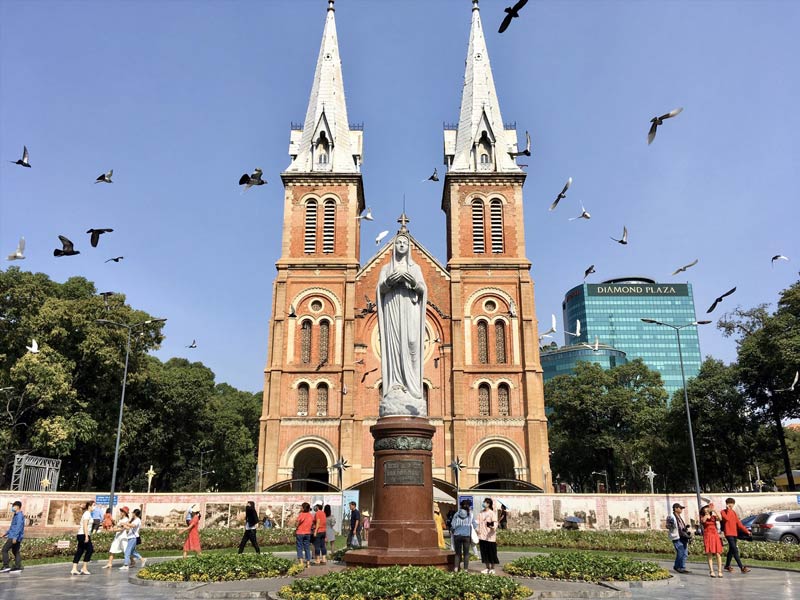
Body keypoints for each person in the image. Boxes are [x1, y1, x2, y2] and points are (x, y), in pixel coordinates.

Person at [376, 233, 428, 417]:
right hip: (392, 313)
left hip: (410, 312)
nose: (401, 245)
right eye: (398, 242)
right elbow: (380, 290)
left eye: (404, 243)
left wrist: (413, 282)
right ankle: (396, 384)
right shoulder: (385, 268)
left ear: (409, 247)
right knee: (395, 349)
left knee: (412, 343)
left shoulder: (416, 268)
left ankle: (412, 387)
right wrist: (388, 282)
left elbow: (423, 289)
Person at [720, 498, 751, 574]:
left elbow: (739, 524)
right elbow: (726, 519)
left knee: (731, 550)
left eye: (732, 503)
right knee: (735, 550)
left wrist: (747, 531)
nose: (731, 505)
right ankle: (742, 567)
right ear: (726, 504)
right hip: (728, 533)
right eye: (729, 503)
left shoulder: (733, 512)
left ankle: (727, 565)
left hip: (734, 533)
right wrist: (728, 510)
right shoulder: (723, 512)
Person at [450, 499, 478, 572]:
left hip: (457, 535)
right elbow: (474, 525)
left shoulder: (456, 514)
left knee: (457, 553)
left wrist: (454, 529)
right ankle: (465, 569)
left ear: (461, 506)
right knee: (466, 553)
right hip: (466, 536)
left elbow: (452, 525)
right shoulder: (470, 514)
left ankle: (456, 569)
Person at [665, 502, 692, 574]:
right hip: (676, 537)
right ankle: (677, 566)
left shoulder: (679, 517)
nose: (681, 510)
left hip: (683, 536)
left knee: (685, 553)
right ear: (675, 508)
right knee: (680, 551)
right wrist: (671, 525)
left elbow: (681, 527)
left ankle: (682, 567)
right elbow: (668, 526)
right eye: (680, 508)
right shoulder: (671, 516)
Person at [71, 500, 95, 575]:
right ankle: (84, 568)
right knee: (90, 550)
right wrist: (86, 536)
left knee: (80, 551)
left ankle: (74, 569)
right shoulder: (87, 514)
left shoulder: (88, 514)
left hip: (82, 534)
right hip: (83, 535)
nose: (95, 507)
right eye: (94, 505)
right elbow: (85, 525)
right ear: (89, 506)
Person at [700, 504, 723, 577]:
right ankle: (711, 571)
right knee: (709, 553)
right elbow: (703, 521)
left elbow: (720, 518)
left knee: (718, 553)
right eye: (705, 510)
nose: (707, 510)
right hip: (708, 535)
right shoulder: (703, 517)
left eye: (708, 509)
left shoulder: (713, 517)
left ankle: (719, 571)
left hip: (715, 535)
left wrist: (714, 510)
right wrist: (706, 514)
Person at [1, 500, 24, 573]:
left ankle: (6, 566)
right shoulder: (16, 515)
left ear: (17, 507)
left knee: (4, 550)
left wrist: (15, 537)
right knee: (16, 551)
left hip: (14, 536)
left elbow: (18, 527)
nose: (12, 508)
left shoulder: (19, 516)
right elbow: (12, 527)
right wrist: (5, 534)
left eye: (13, 506)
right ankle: (18, 566)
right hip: (14, 535)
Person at [477, 497, 499, 574]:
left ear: (489, 504)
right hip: (482, 536)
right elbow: (478, 523)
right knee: (484, 552)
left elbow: (495, 523)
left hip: (490, 536)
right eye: (484, 502)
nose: (484, 503)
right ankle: (487, 567)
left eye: (486, 502)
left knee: (492, 552)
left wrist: (492, 527)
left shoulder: (492, 513)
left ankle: (492, 568)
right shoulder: (480, 513)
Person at [295, 502, 313, 567]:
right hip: (308, 533)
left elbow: (297, 523)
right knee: (307, 547)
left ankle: (301, 562)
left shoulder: (301, 514)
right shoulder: (310, 515)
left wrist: (296, 527)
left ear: (303, 508)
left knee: (299, 547)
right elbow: (312, 523)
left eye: (301, 507)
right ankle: (308, 563)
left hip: (300, 533)